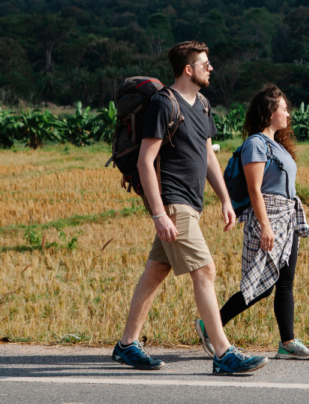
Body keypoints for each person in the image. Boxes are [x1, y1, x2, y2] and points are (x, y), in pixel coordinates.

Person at [112, 41, 268, 375]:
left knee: (156, 271)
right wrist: (158, 213)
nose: (210, 68)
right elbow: (145, 160)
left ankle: (126, 345)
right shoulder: (163, 105)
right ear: (188, 69)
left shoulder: (203, 105)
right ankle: (223, 353)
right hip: (173, 203)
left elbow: (208, 155)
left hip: (191, 202)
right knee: (205, 271)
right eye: (205, 63)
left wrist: (225, 199)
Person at [195, 84, 309, 360]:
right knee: (259, 285)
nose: (288, 114)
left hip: (287, 218)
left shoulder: (278, 145)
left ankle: (287, 343)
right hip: (269, 217)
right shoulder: (255, 145)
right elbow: (255, 189)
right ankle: (208, 324)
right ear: (269, 112)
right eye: (284, 109)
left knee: (285, 283)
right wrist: (265, 226)